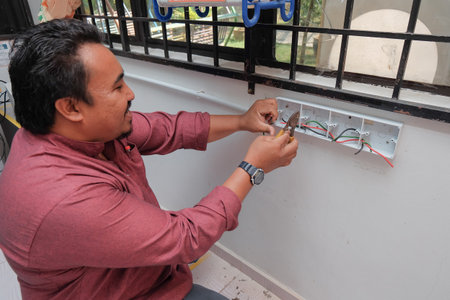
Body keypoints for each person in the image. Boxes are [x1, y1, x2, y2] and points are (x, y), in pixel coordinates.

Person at [0, 19, 298, 299]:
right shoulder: (65, 198)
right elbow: (186, 237)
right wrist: (252, 168)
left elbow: (168, 129)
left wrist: (242, 121)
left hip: (138, 270)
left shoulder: (84, 129)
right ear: (71, 107)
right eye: (117, 87)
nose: (130, 94)